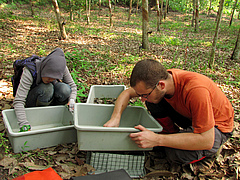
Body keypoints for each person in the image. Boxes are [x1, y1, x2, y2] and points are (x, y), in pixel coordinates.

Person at [104, 59, 234, 173]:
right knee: (153, 102)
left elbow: (206, 139)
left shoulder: (195, 90)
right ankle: (171, 134)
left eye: (144, 95)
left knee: (175, 154)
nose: (142, 99)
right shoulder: (159, 81)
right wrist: (115, 118)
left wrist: (157, 139)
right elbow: (127, 93)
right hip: (190, 117)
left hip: (216, 128)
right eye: (140, 95)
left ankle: (210, 153)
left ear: (161, 85)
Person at [13, 48, 77, 132]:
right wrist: (23, 123)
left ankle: (55, 112)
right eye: (49, 76)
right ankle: (41, 114)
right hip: (32, 98)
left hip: (49, 98)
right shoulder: (30, 71)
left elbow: (72, 86)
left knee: (64, 89)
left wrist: (72, 99)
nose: (51, 79)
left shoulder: (62, 67)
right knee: (47, 88)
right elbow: (18, 101)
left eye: (54, 77)